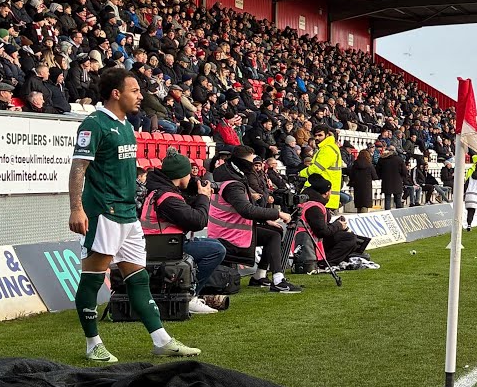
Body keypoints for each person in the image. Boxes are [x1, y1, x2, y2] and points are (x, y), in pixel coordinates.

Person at [67, 66, 199, 363]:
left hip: (128, 215)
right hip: (104, 214)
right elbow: (78, 168)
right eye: (135, 91)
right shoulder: (94, 124)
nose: (140, 96)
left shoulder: (126, 125)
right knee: (91, 280)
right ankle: (92, 344)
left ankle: (161, 340)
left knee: (138, 280)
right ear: (117, 93)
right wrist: (77, 208)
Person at [140, 151, 226, 315]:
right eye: (189, 174)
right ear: (180, 175)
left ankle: (190, 292)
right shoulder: (167, 198)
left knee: (215, 244)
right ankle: (189, 296)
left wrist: (196, 189)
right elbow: (197, 222)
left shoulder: (160, 189)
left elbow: (185, 210)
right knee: (216, 250)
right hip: (163, 248)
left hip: (162, 243)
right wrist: (203, 197)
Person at [209, 145, 302, 293]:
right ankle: (277, 280)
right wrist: (277, 214)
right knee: (273, 235)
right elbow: (247, 210)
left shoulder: (232, 177)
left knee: (275, 232)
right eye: (251, 162)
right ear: (242, 162)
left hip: (230, 229)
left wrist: (266, 220)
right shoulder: (232, 185)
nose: (254, 166)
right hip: (228, 235)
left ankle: (260, 276)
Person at [293, 174, 370, 268]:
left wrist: (336, 224)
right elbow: (322, 232)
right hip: (310, 242)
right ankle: (327, 262)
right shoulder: (315, 207)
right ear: (326, 193)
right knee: (349, 238)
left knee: (348, 238)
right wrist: (338, 225)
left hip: (307, 240)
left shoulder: (309, 203)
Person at [300, 125, 344, 210]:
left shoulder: (328, 149)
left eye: (320, 135)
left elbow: (317, 168)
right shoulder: (326, 147)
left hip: (324, 195)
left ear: (327, 135)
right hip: (324, 194)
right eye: (315, 135)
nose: (317, 138)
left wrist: (301, 174)